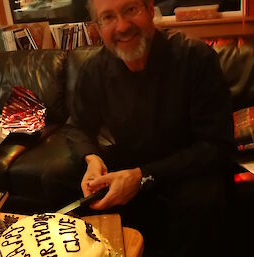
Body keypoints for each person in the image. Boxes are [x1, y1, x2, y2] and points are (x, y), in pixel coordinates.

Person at [66, 0, 235, 256]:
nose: (122, 26)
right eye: (108, 17)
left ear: (149, 9)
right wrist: (92, 159)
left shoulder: (195, 58)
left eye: (130, 10)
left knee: (204, 199)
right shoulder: (95, 70)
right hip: (132, 162)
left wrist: (141, 176)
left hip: (190, 169)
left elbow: (217, 147)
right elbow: (77, 127)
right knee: (68, 186)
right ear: (98, 28)